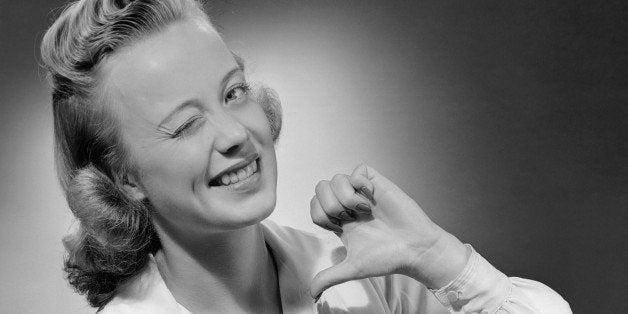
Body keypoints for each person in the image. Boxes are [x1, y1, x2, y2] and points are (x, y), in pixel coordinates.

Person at [41, 0, 572, 313]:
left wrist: (439, 257)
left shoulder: (368, 282)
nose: (234, 134)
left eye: (233, 92)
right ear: (123, 177)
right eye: (185, 125)